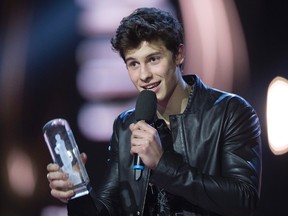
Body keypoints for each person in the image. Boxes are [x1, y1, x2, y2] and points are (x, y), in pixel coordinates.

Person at [46, 7, 262, 216]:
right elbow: (107, 209)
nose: (144, 75)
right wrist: (77, 192)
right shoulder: (125, 125)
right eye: (133, 64)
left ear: (178, 54)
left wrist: (162, 165)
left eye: (153, 59)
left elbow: (244, 199)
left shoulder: (230, 112)